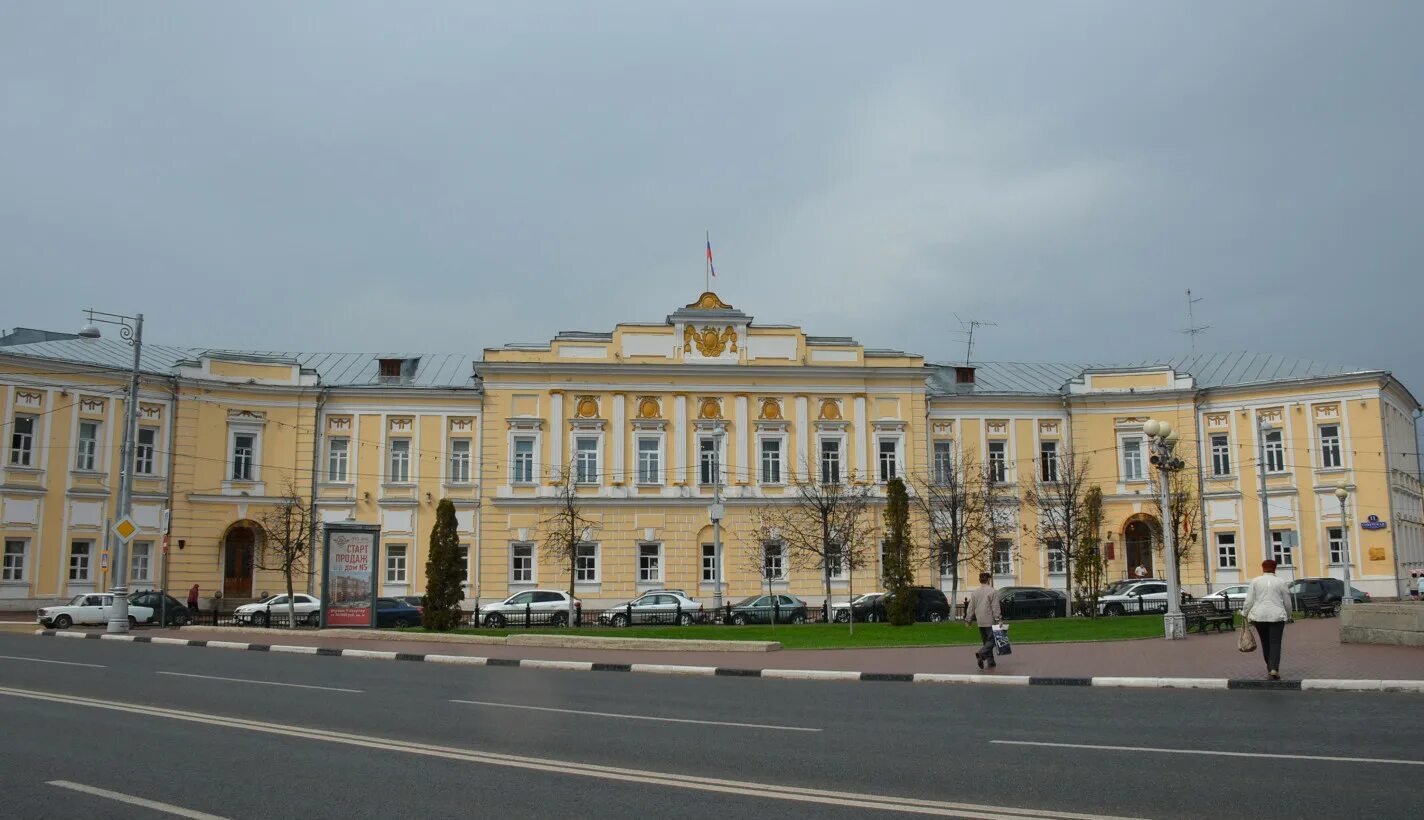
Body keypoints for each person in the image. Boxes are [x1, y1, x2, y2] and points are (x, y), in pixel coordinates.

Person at [1242, 559, 1292, 680]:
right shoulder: (1281, 582)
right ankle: (1274, 668)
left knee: (1265, 643)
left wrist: (1245, 613)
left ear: (1262, 568)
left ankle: (1270, 668)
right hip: (1277, 616)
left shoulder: (1255, 581)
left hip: (1259, 617)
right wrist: (1289, 615)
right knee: (1275, 643)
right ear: (1275, 568)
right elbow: (1287, 601)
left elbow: (1249, 601)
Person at [965, 571, 1002, 670]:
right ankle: (981, 653)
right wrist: (999, 619)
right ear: (989, 580)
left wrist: (968, 620)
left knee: (986, 642)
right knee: (993, 641)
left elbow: (970, 607)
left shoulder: (975, 592)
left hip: (980, 621)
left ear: (980, 580)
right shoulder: (992, 591)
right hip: (989, 620)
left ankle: (991, 662)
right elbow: (995, 607)